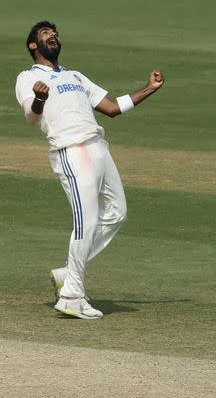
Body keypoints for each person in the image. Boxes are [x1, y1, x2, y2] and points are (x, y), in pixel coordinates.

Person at [15, 21, 165, 320]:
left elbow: (111, 107)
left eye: (54, 33)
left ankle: (70, 273)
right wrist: (41, 98)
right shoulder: (27, 77)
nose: (52, 36)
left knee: (117, 213)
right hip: (72, 150)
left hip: (99, 147)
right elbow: (32, 116)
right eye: (45, 34)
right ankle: (71, 297)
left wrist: (149, 89)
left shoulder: (75, 75)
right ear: (33, 45)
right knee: (87, 221)